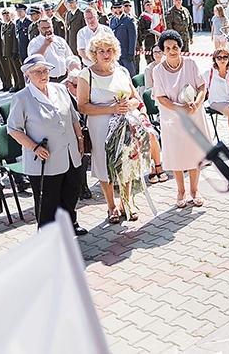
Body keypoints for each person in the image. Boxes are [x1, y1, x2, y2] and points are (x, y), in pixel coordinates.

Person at [8, 55, 87, 235]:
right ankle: (48, 234)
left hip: (69, 151)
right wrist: (34, 147)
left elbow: (73, 116)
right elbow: (14, 130)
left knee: (71, 190)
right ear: (28, 75)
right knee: (48, 199)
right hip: (45, 158)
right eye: (38, 72)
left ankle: (70, 224)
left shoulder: (59, 89)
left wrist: (80, 138)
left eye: (45, 70)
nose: (43, 75)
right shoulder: (22, 98)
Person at [76, 33, 143, 223]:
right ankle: (111, 206)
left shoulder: (121, 71)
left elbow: (135, 98)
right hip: (100, 127)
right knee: (105, 165)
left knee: (125, 163)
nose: (106, 55)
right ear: (94, 53)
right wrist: (111, 108)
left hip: (124, 125)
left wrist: (129, 105)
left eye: (109, 51)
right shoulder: (86, 74)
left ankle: (126, 203)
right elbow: (82, 106)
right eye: (101, 51)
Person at [152, 30, 211, 208]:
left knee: (194, 152)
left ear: (180, 47)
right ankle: (181, 191)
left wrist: (197, 103)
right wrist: (180, 108)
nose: (172, 51)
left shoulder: (191, 63)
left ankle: (195, 190)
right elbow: (160, 97)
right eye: (168, 48)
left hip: (193, 113)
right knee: (177, 152)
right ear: (162, 50)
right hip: (172, 117)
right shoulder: (158, 70)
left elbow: (202, 86)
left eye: (175, 47)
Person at [63, 64, 92, 200]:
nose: (79, 89)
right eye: (76, 86)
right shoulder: (64, 98)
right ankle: (82, 186)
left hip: (88, 129)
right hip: (72, 134)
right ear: (68, 84)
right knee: (83, 154)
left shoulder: (87, 92)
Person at [27, 18, 74, 82]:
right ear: (39, 29)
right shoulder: (35, 42)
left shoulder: (60, 40)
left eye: (49, 27)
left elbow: (70, 57)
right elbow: (34, 60)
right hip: (48, 80)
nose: (47, 30)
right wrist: (45, 45)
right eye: (44, 28)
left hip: (64, 78)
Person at [109, 0, 138, 77]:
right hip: (116, 54)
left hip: (126, 54)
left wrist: (131, 53)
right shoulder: (112, 20)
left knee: (130, 75)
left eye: (119, 7)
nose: (117, 10)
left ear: (122, 8)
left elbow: (133, 38)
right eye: (115, 8)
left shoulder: (129, 20)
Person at [1, 8, 25, 91]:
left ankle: (21, 84)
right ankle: (16, 84)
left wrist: (15, 51)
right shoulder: (4, 26)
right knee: (12, 69)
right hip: (7, 51)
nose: (6, 17)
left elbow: (15, 39)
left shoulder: (13, 25)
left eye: (7, 15)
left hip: (13, 51)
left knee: (17, 69)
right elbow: (3, 40)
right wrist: (4, 52)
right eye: (4, 15)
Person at [137, 0, 158, 66]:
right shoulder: (143, 17)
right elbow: (141, 32)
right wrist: (150, 31)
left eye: (150, 4)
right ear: (144, 6)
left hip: (157, 40)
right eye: (147, 5)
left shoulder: (155, 16)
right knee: (150, 62)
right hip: (149, 42)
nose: (149, 6)